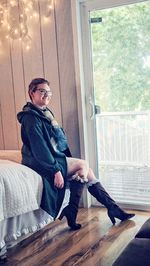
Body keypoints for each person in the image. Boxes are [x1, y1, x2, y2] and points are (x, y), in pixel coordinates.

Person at [17, 78, 135, 230]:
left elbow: (55, 141)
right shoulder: (31, 118)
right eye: (42, 91)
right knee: (83, 164)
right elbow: (40, 149)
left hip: (53, 156)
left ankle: (106, 208)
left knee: (87, 171)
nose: (47, 94)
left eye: (49, 91)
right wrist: (56, 171)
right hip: (38, 161)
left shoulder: (45, 113)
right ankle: (82, 210)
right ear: (31, 93)